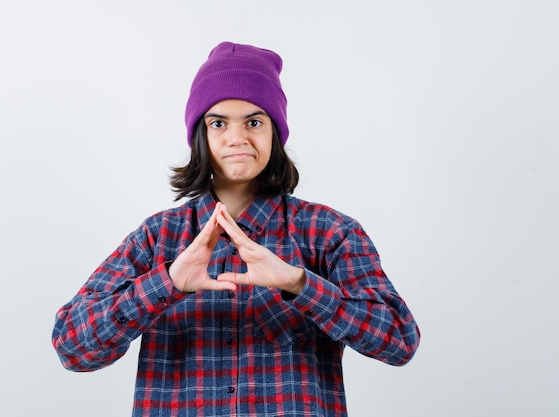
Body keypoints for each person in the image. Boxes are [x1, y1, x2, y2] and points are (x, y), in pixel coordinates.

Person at [52, 41, 420, 416]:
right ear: (201, 134)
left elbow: (399, 342)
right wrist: (167, 283)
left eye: (254, 121)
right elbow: (72, 347)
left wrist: (299, 284)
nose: (237, 137)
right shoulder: (156, 238)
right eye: (218, 122)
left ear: (275, 131)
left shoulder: (329, 232)